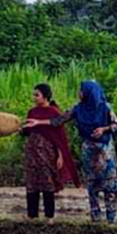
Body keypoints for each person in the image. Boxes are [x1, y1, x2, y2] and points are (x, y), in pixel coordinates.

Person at [25, 81, 117, 223]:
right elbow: (58, 121)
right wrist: (38, 123)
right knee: (92, 185)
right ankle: (96, 218)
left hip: (105, 151)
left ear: (89, 92)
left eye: (81, 91)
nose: (79, 93)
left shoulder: (105, 108)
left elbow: (116, 125)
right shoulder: (78, 109)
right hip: (88, 150)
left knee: (109, 185)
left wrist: (103, 129)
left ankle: (112, 219)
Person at [22, 83, 79, 223]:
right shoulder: (32, 112)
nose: (34, 98)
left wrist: (60, 155)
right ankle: (32, 215)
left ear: (45, 96)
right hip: (32, 153)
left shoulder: (54, 113)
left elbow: (60, 137)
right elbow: (28, 132)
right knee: (32, 183)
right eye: (34, 95)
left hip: (48, 154)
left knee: (48, 183)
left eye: (37, 95)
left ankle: (49, 216)